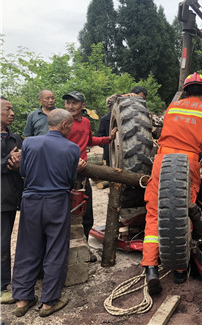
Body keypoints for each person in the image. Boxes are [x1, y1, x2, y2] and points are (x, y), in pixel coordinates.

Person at [142, 73, 202, 292]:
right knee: (183, 211)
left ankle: (150, 267)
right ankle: (179, 271)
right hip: (188, 163)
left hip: (163, 159)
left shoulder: (173, 108)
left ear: (186, 91)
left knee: (155, 212)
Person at [12, 109, 82, 318]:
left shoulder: (30, 143)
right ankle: (48, 302)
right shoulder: (72, 148)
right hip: (57, 202)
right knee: (56, 249)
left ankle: (23, 299)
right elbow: (70, 181)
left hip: (31, 201)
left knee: (27, 247)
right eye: (69, 126)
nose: (70, 130)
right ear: (63, 126)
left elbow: (23, 172)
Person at [63, 91, 117, 241]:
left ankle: (84, 243)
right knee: (64, 211)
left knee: (86, 212)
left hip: (83, 173)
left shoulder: (86, 122)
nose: (70, 106)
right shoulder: (62, 122)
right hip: (64, 172)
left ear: (83, 105)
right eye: (68, 103)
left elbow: (90, 140)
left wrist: (109, 139)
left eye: (74, 103)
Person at [1, 97, 24, 305]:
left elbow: (23, 162)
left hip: (13, 197)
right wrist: (7, 162)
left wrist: (19, 164)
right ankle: (2, 287)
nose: (12, 113)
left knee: (7, 239)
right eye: (7, 109)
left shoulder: (15, 138)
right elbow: (6, 162)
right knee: (1, 243)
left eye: (12, 109)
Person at [97, 94, 121, 166]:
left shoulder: (124, 119)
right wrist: (108, 145)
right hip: (110, 155)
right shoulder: (104, 120)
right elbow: (100, 137)